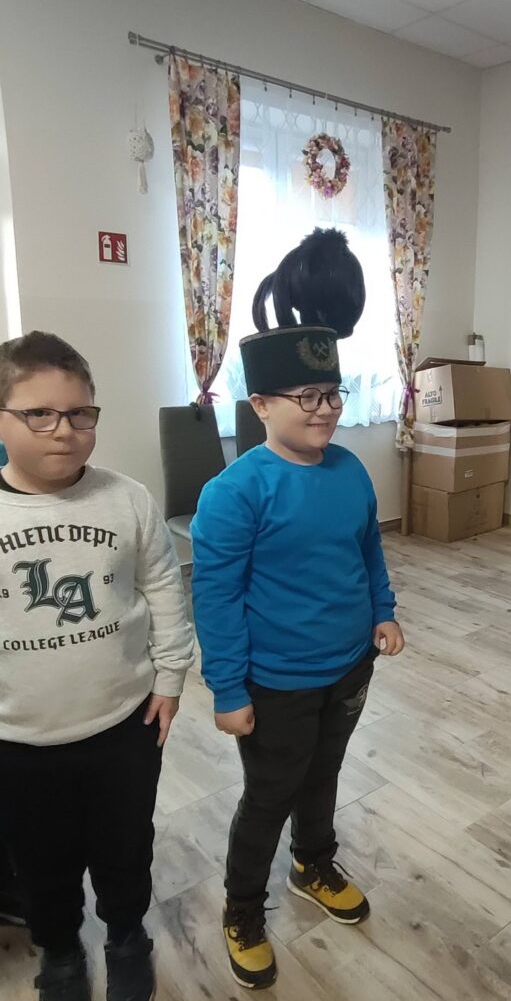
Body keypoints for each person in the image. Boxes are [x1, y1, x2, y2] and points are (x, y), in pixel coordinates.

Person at [191, 323, 404, 990]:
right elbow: (216, 599)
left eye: (333, 394)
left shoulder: (350, 470)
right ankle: (243, 909)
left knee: (324, 773)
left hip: (350, 665)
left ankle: (312, 864)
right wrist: (228, 690)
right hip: (276, 682)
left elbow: (368, 549)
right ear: (260, 404)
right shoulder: (234, 492)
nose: (325, 409)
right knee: (270, 795)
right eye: (306, 396)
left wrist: (384, 610)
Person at [0, 331, 195, 1000]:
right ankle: (59, 950)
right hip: (19, 742)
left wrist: (171, 678)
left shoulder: (127, 499)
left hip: (124, 726)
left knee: (124, 846)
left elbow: (164, 586)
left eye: (80, 413)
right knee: (40, 859)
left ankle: (127, 936)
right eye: (39, 413)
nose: (64, 430)